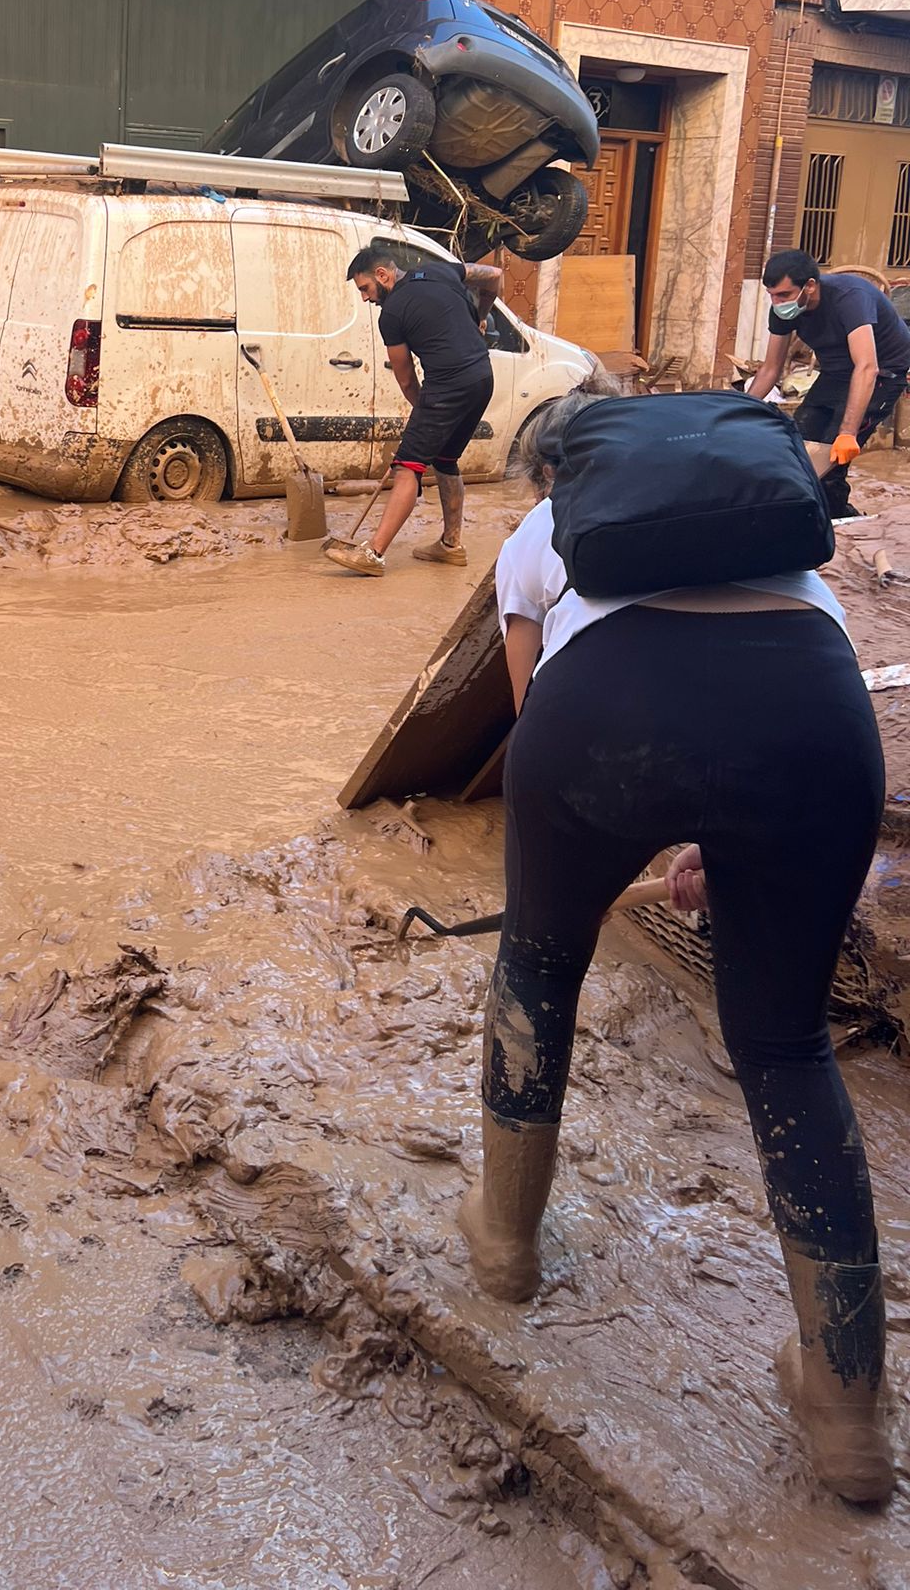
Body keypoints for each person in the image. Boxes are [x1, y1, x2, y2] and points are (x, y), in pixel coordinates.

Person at [468, 387, 894, 1507]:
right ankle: (849, 1405)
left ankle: (505, 1244)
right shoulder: (773, 531)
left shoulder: (539, 534)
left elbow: (535, 720)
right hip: (815, 722)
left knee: (541, 965)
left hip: (600, 721)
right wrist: (717, 828)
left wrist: (613, 834)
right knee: (786, 1044)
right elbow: (746, 671)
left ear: (562, 471)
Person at [322, 243, 501, 576]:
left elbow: (406, 380)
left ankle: (373, 554)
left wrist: (426, 414)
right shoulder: (442, 270)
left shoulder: (391, 315)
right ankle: (450, 545)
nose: (365, 298)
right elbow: (493, 276)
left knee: (407, 467)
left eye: (365, 289)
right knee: (445, 460)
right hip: (482, 378)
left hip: (447, 386)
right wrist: (480, 313)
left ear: (382, 274)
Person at [748, 249, 910, 519]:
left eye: (784, 295)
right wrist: (739, 409)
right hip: (837, 371)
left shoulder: (849, 298)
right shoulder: (783, 310)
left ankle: (838, 521)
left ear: (809, 286)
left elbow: (867, 367)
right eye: (772, 296)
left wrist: (847, 432)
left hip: (883, 371)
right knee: (797, 445)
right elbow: (770, 369)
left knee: (831, 458)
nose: (777, 303)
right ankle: (812, 515)